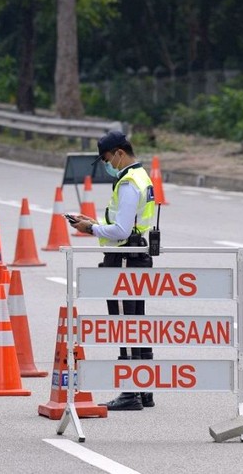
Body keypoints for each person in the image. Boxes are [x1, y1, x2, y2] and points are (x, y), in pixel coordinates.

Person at [69, 130, 157, 411]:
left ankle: (131, 392)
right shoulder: (141, 176)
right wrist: (92, 222)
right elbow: (127, 225)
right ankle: (144, 389)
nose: (108, 165)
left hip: (124, 259)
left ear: (119, 153)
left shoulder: (129, 182)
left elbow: (120, 230)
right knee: (137, 322)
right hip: (136, 253)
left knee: (124, 325)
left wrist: (90, 228)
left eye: (108, 159)